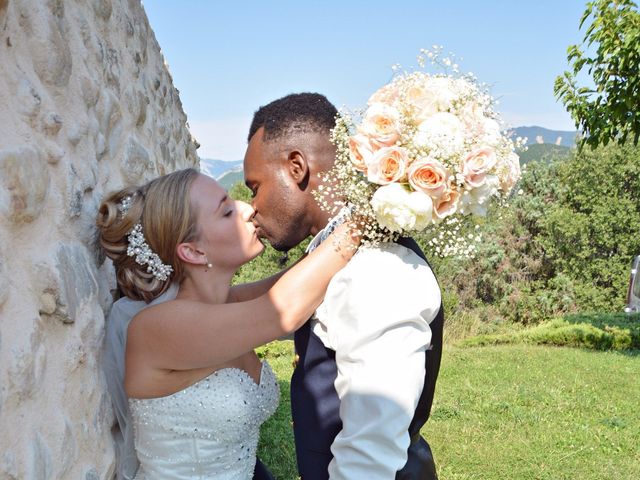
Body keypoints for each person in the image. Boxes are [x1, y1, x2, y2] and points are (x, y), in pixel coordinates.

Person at [98, 167, 359, 480]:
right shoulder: (157, 326)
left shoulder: (228, 304)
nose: (248, 210)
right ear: (192, 251)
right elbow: (285, 309)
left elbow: (305, 274)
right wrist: (370, 215)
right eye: (226, 211)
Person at [243, 93, 445, 479]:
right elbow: (278, 300)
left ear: (297, 167)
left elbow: (370, 456)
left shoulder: (376, 270)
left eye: (255, 187)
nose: (252, 207)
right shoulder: (335, 256)